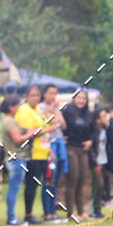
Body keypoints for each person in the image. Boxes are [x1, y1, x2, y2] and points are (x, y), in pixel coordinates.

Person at [15, 85, 58, 224]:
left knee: (42, 183)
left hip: (42, 152)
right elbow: (30, 132)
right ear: (26, 97)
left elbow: (44, 128)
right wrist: (49, 129)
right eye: (32, 95)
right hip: (31, 153)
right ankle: (28, 214)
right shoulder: (24, 110)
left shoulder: (38, 110)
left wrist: (49, 150)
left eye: (37, 95)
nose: (35, 98)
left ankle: (45, 212)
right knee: (31, 184)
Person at [0, 95, 39, 226]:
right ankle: (11, 218)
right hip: (16, 159)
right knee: (14, 189)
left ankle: (11, 217)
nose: (18, 108)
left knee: (14, 188)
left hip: (14, 159)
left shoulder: (7, 120)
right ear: (11, 106)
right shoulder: (10, 121)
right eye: (17, 105)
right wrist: (30, 134)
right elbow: (17, 139)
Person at [62, 89, 93, 221]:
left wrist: (91, 141)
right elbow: (61, 127)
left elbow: (93, 131)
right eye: (79, 98)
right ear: (74, 99)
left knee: (82, 181)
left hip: (83, 150)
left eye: (84, 98)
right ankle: (71, 212)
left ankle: (82, 211)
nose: (81, 101)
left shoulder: (88, 114)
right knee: (72, 181)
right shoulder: (67, 112)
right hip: (71, 148)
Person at [39, 84, 67, 219]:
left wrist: (56, 111)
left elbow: (64, 125)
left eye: (55, 93)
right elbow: (53, 122)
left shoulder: (55, 109)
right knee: (49, 178)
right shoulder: (41, 108)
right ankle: (47, 212)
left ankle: (53, 211)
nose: (53, 96)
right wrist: (56, 110)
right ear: (44, 93)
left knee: (56, 180)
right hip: (49, 144)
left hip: (60, 143)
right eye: (50, 93)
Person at [89, 107, 110, 220]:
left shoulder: (106, 130)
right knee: (98, 185)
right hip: (96, 162)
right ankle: (94, 210)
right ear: (97, 120)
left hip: (104, 161)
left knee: (103, 186)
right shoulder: (94, 132)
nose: (107, 118)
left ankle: (98, 209)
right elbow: (92, 149)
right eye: (104, 116)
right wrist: (94, 163)